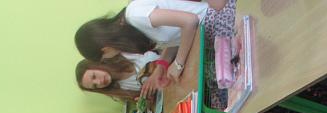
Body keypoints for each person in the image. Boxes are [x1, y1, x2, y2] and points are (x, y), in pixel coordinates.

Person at [75, 1, 231, 87]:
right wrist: (162, 66)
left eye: (104, 58)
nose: (108, 59)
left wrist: (178, 64)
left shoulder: (135, 16)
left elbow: (190, 21)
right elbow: (176, 36)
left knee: (221, 90)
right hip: (206, 38)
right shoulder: (131, 32)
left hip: (218, 21)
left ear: (105, 49)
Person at [76, 53, 169, 101]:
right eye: (95, 86)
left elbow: (162, 53)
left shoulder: (123, 55)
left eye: (94, 76)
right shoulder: (121, 90)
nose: (99, 82)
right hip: (170, 91)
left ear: (95, 65)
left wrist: (154, 72)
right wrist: (146, 99)